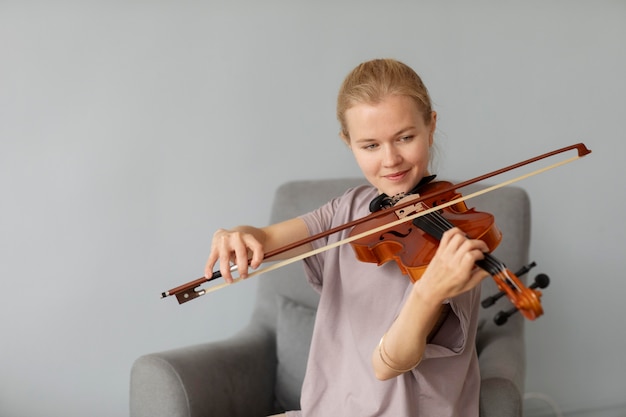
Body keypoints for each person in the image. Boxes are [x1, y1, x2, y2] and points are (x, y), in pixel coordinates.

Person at [205, 58, 490, 417]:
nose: (391, 160)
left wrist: (429, 291)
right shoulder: (349, 209)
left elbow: (390, 364)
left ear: (431, 126)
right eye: (370, 145)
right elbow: (265, 237)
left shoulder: (455, 236)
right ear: (348, 142)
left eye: (405, 137)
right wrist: (237, 235)